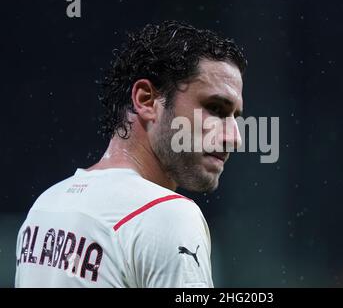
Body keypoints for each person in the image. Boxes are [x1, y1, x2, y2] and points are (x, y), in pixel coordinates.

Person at [15, 20, 247, 287]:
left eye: (235, 117)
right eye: (216, 108)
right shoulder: (170, 215)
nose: (234, 137)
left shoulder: (46, 206)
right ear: (147, 100)